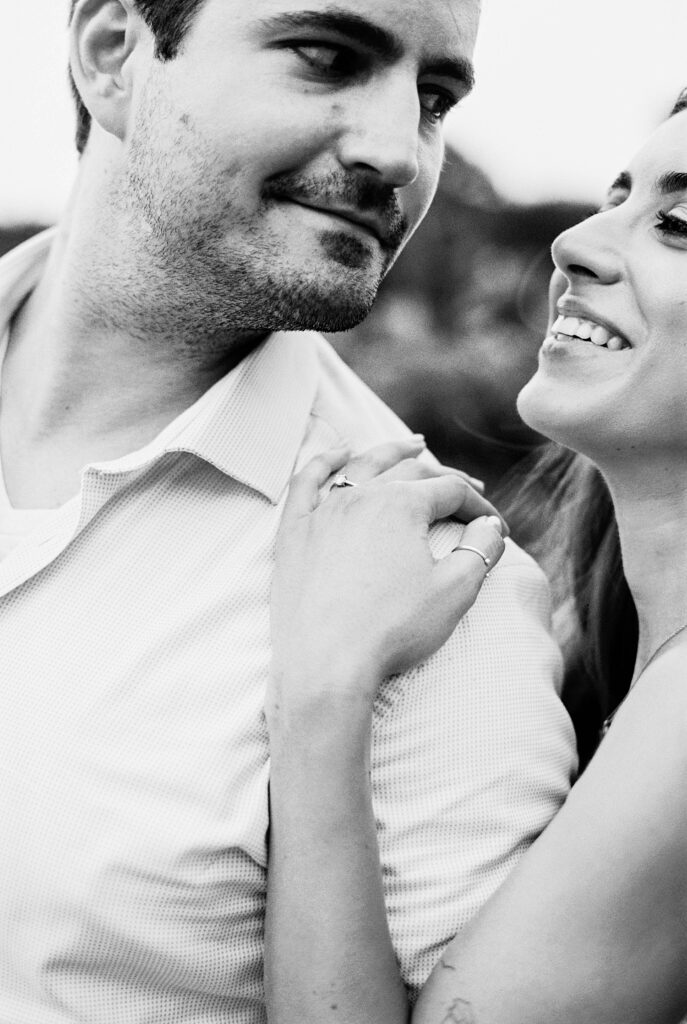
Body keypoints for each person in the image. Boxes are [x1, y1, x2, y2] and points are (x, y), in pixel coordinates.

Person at [0, 0, 577, 1021]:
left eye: (434, 98)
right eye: (327, 57)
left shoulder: (443, 600)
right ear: (112, 53)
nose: (400, 151)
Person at [264, 89, 687, 1024]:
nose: (575, 241)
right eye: (616, 195)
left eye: (679, 223)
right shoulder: (599, 643)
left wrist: (326, 687)